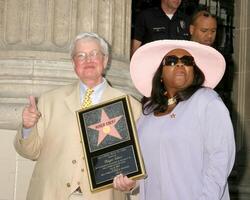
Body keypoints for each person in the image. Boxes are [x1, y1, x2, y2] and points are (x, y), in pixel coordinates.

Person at [14, 32, 141, 200]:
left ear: (105, 60)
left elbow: (140, 164)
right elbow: (29, 152)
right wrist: (28, 128)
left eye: (94, 54)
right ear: (74, 63)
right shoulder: (49, 101)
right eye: (81, 55)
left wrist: (131, 183)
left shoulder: (130, 105)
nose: (88, 60)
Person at [113, 40, 235, 200]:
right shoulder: (148, 111)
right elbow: (144, 164)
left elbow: (220, 160)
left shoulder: (207, 102)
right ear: (160, 75)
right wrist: (131, 182)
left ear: (194, 71)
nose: (179, 65)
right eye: (171, 61)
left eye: (187, 61)